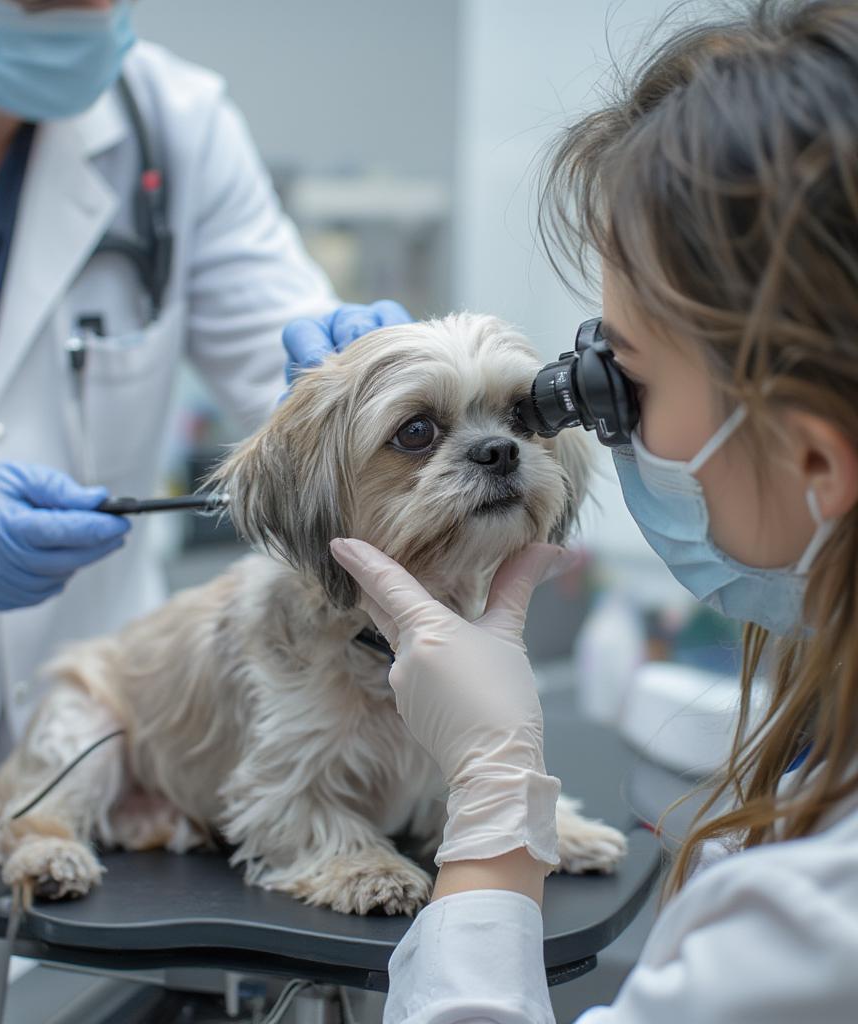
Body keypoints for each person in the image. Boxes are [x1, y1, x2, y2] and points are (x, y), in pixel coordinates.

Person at [295, 1, 858, 1020]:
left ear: (816, 452)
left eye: (623, 380)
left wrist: (494, 807)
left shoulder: (823, 926)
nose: (597, 426)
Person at [0, 0, 409, 815]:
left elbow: (288, 370)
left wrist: (361, 385)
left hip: (123, 771)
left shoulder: (176, 125)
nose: (84, 16)